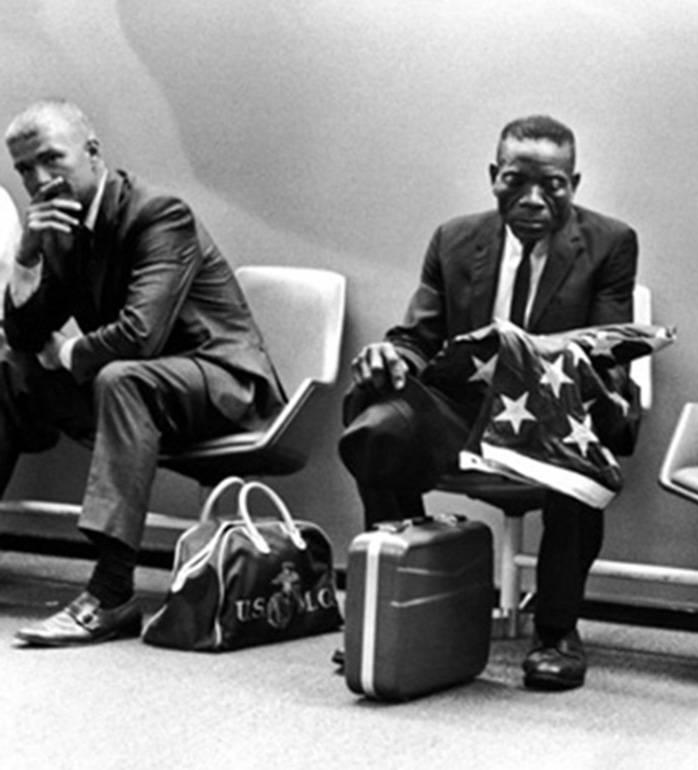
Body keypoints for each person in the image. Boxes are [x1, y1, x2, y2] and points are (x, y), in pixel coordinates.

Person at [339, 115, 638, 691]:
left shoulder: (610, 244)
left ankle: (555, 632)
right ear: (492, 177)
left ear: (574, 183)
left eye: (552, 184)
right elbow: (418, 337)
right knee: (377, 426)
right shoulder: (454, 239)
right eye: (515, 180)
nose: (533, 198)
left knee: (580, 456)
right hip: (465, 413)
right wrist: (391, 355)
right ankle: (403, 594)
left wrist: (545, 369)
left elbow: (607, 355)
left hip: (556, 409)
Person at [2, 99, 285, 646]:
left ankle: (111, 594)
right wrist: (28, 256)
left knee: (121, 378)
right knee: (9, 372)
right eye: (23, 169)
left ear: (92, 153)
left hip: (222, 383)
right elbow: (22, 337)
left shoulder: (159, 213)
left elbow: (140, 335)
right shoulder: (60, 228)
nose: (39, 180)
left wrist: (64, 354)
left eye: (51, 159)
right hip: (141, 392)